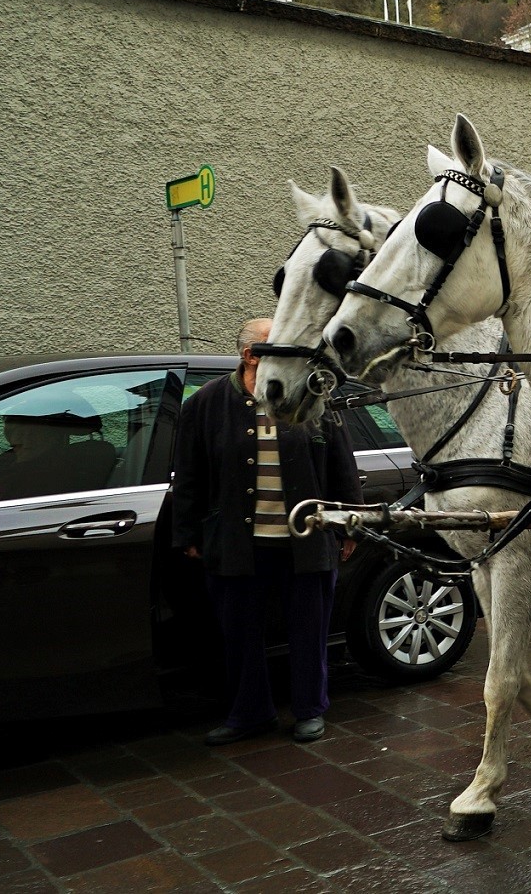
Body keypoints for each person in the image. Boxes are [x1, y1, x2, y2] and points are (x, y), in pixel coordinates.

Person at [171, 318, 362, 746]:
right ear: (250, 356)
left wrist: (350, 523)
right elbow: (189, 476)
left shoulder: (312, 394)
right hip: (237, 543)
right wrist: (188, 534)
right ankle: (249, 714)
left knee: (308, 631)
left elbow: (341, 465)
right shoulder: (205, 404)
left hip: (307, 539)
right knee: (239, 634)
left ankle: (310, 709)